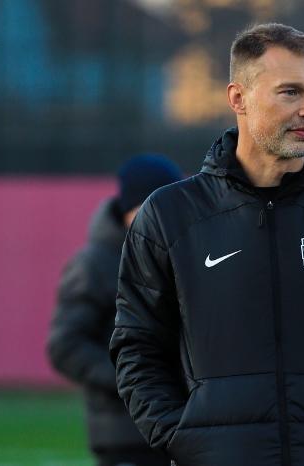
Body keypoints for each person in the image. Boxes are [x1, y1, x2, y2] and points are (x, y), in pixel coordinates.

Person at [110, 23, 304, 466]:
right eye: (290, 92)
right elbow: (138, 346)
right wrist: (181, 438)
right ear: (238, 98)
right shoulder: (170, 215)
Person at [47, 155, 182, 466]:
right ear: (130, 209)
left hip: (179, 430)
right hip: (124, 435)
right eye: (154, 207)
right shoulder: (94, 264)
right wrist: (131, 380)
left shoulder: (180, 257)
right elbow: (65, 346)